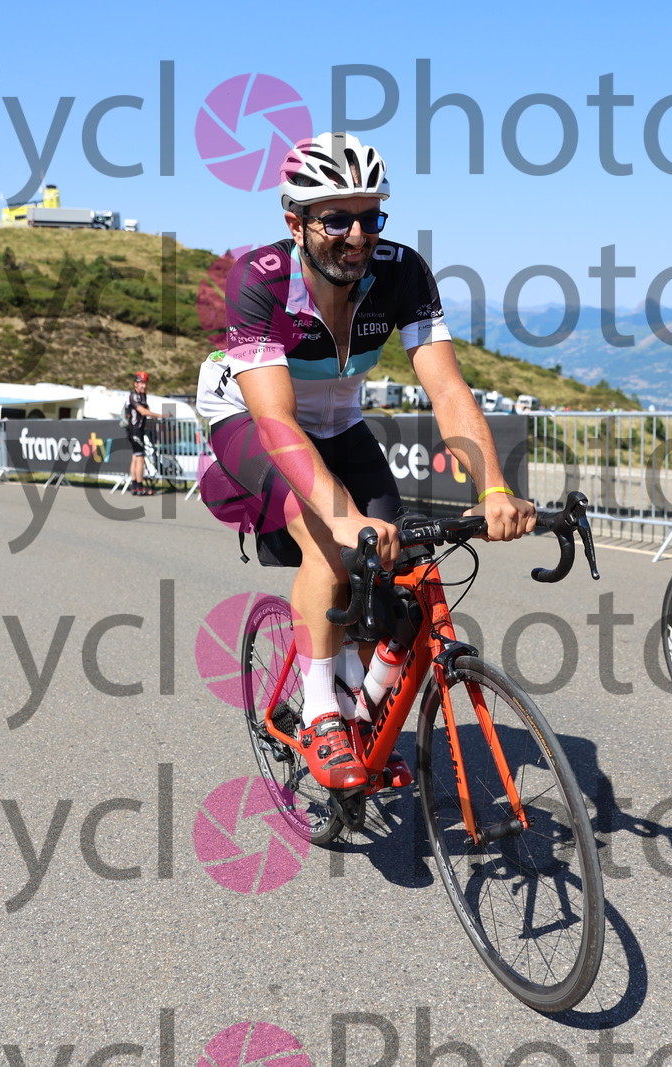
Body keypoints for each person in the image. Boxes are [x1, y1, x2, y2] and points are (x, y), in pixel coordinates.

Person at [195, 132, 533, 790]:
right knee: (330, 542)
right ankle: (323, 712)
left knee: (402, 563)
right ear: (294, 222)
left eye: (371, 217)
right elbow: (276, 420)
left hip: (339, 420)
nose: (357, 236)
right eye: (336, 220)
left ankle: (362, 706)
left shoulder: (402, 271)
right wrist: (342, 517)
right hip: (252, 419)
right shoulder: (260, 279)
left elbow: (447, 390)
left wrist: (494, 487)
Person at [122, 371, 164, 495]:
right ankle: (140, 487)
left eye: (145, 383)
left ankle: (135, 487)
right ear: (135, 384)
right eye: (141, 383)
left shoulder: (143, 396)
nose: (144, 386)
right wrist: (161, 415)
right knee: (140, 458)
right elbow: (143, 412)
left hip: (137, 430)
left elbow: (146, 410)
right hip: (135, 430)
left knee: (135, 457)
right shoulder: (133, 395)